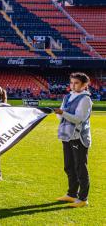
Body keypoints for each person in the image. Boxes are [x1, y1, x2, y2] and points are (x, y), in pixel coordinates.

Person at [54, 72, 93, 208]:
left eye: (76, 83)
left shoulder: (85, 99)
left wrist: (62, 113)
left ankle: (83, 198)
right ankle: (71, 194)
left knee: (80, 167)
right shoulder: (67, 96)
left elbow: (79, 119)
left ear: (84, 85)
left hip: (79, 138)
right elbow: (61, 117)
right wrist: (60, 114)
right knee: (69, 166)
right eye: (71, 82)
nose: (73, 85)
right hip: (66, 136)